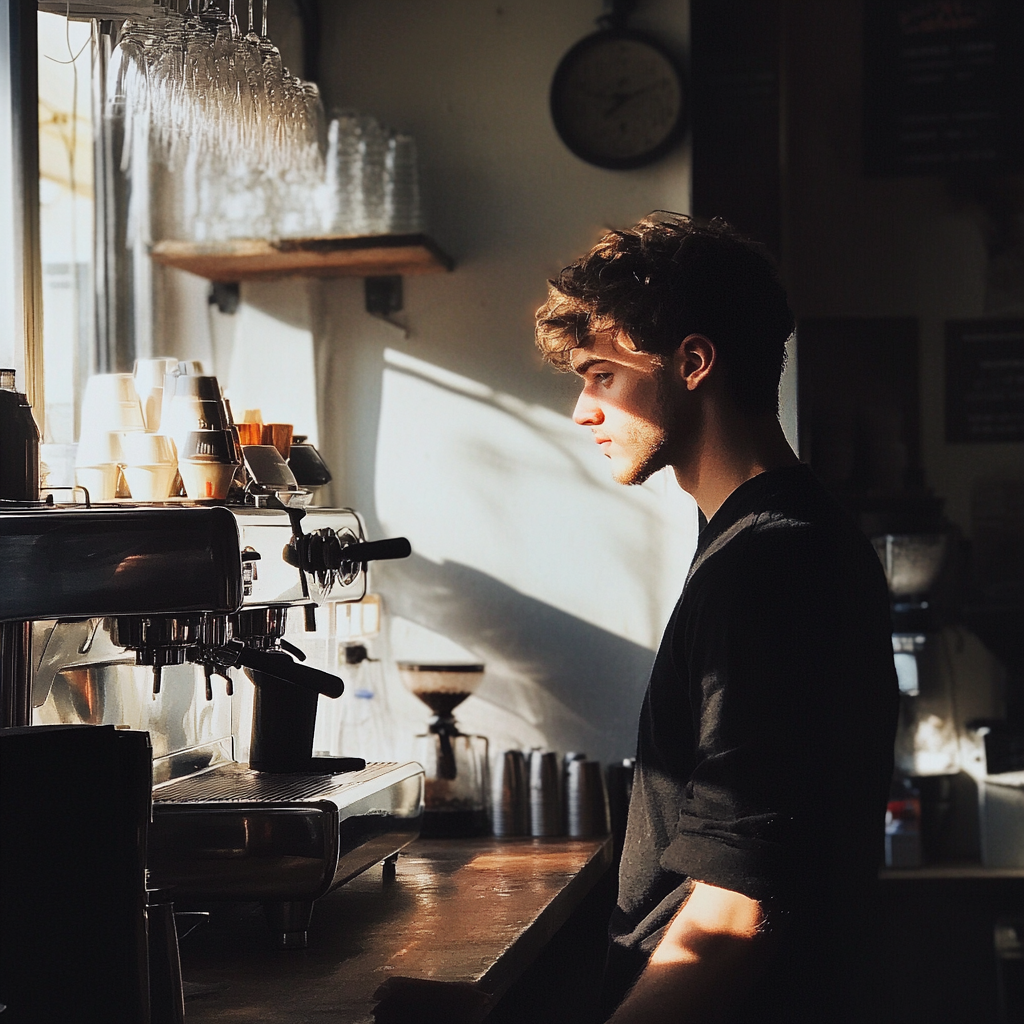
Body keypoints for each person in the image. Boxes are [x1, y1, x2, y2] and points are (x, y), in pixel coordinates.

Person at [535, 214, 899, 1023]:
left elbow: (735, 912)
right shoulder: (757, 544)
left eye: (601, 374)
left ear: (693, 362)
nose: (581, 411)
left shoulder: (774, 566)